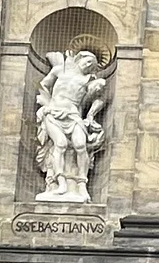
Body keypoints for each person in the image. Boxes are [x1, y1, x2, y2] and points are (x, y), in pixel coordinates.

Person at [35, 49, 107, 202]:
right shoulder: (60, 70)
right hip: (53, 113)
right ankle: (60, 182)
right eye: (87, 61)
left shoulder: (89, 79)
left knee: (80, 146)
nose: (88, 65)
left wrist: (90, 115)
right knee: (60, 145)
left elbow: (99, 99)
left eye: (91, 64)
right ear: (79, 59)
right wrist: (49, 104)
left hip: (73, 115)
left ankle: (81, 184)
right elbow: (43, 85)